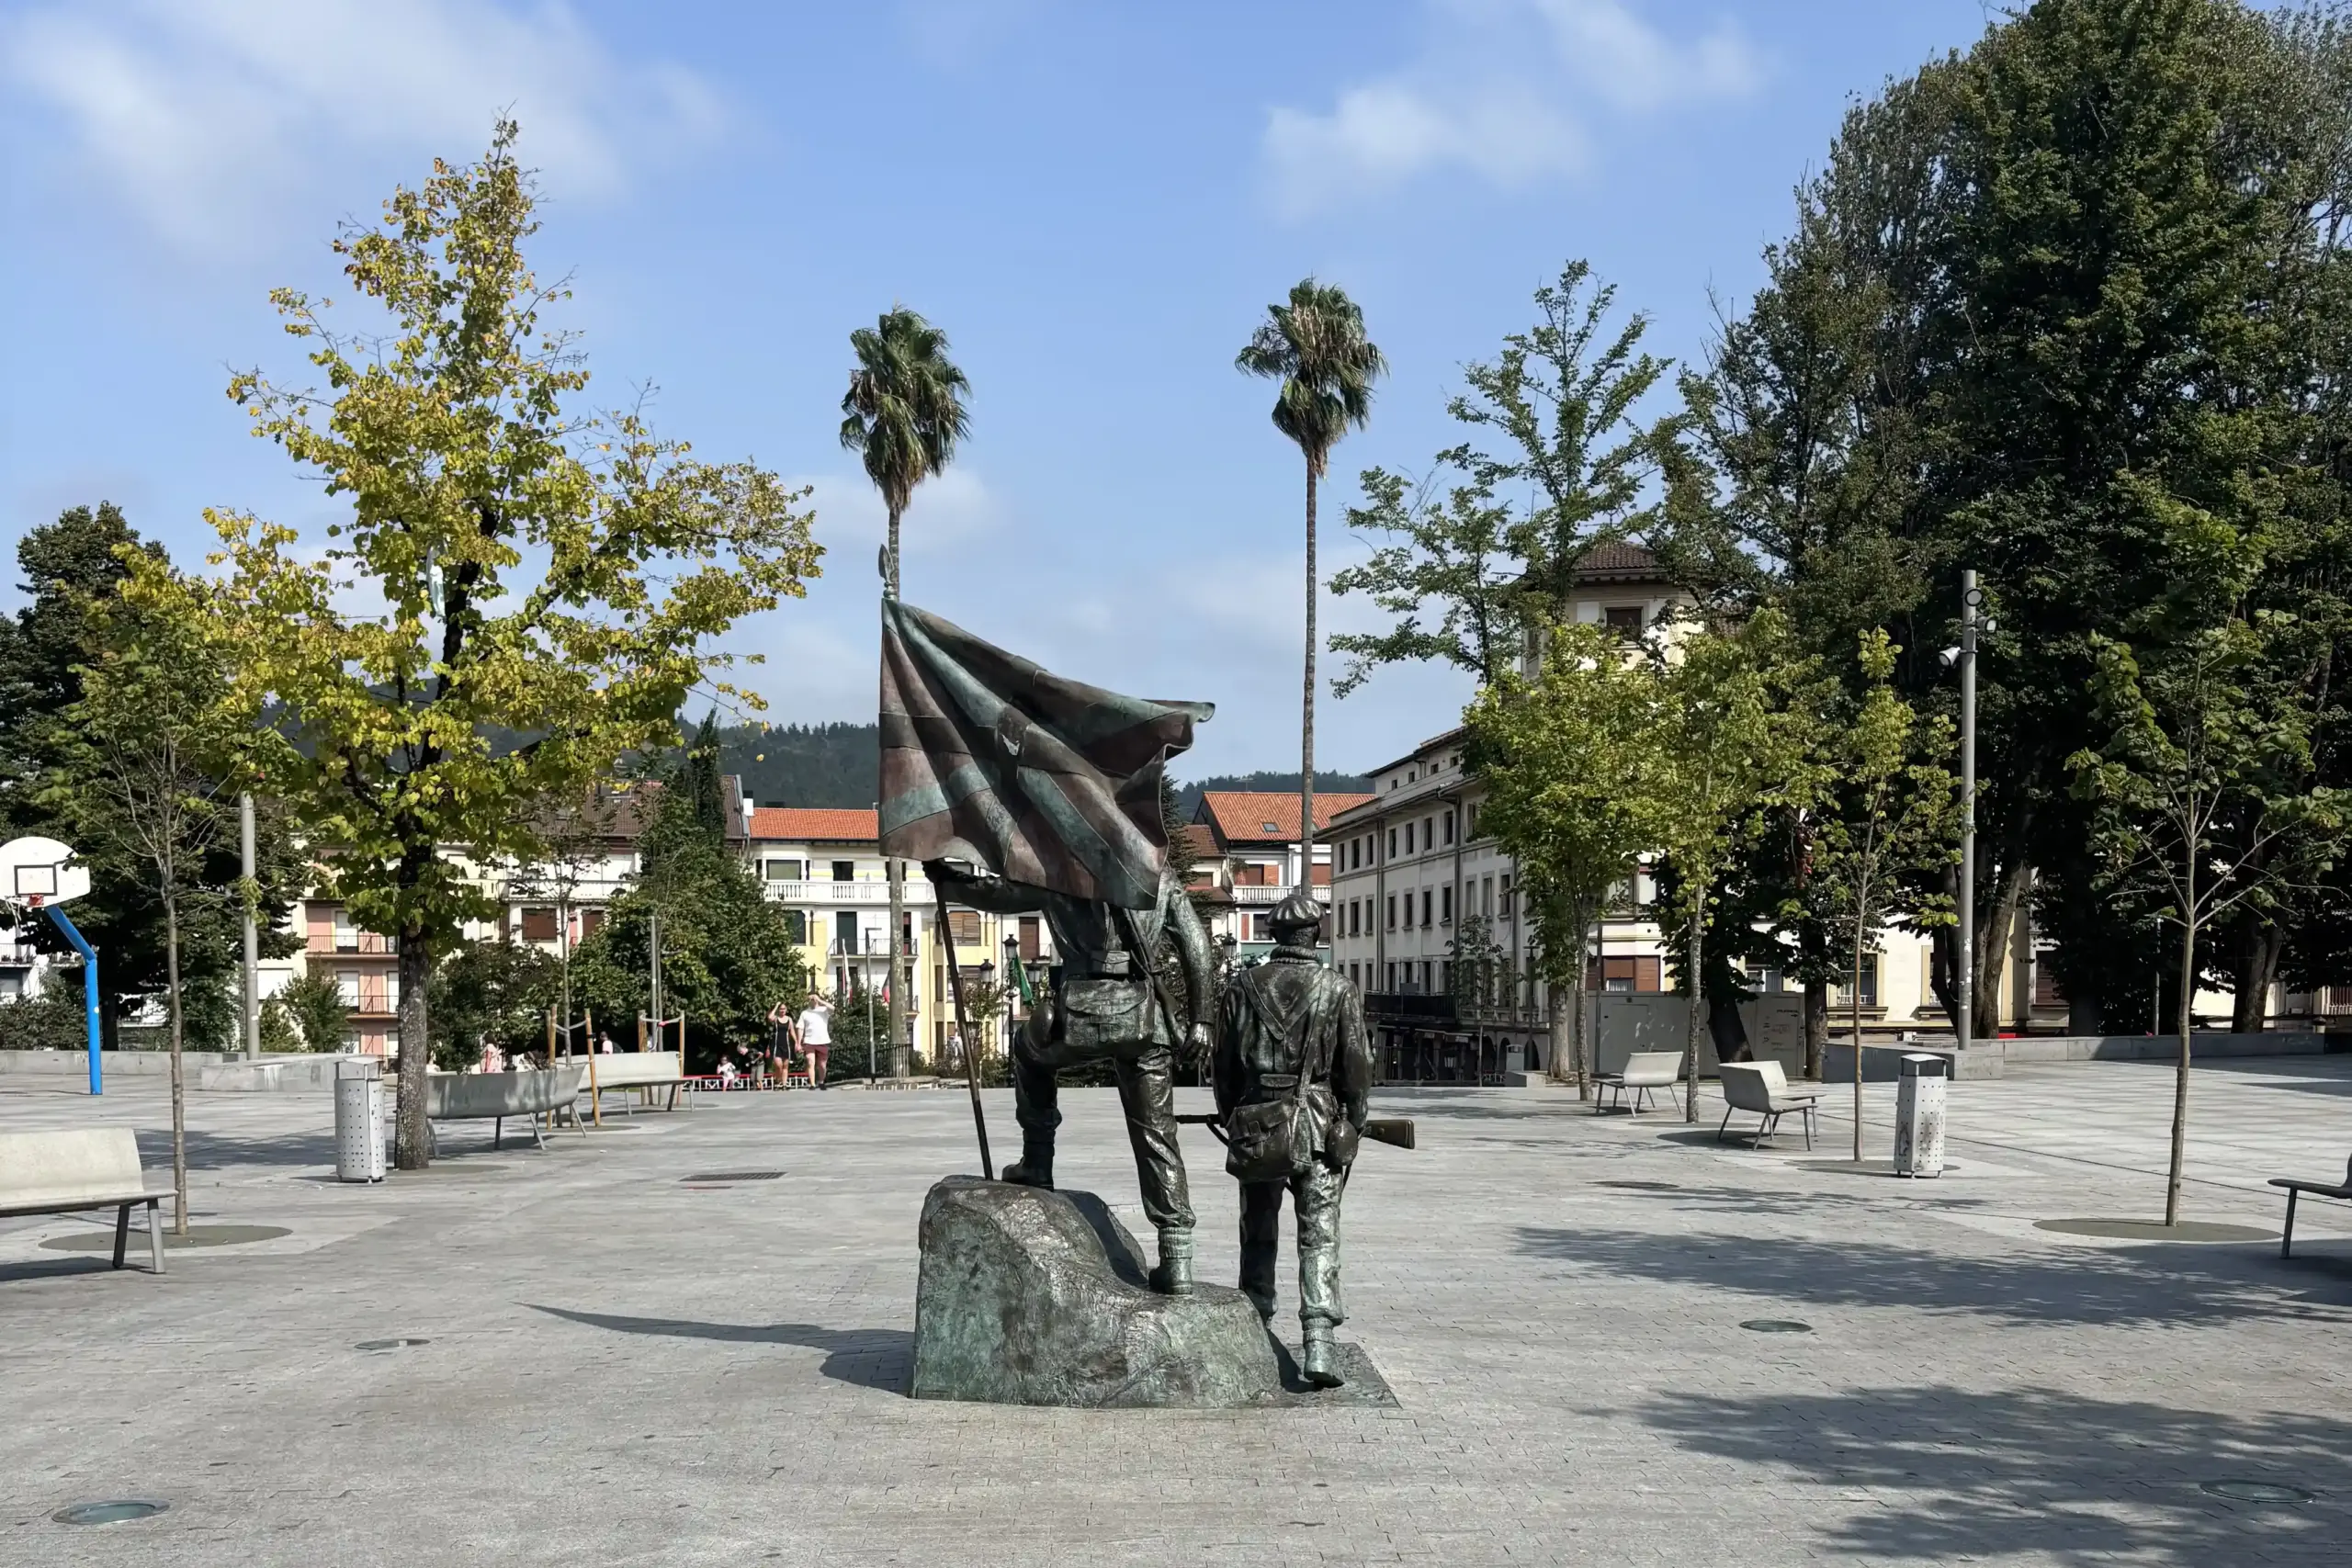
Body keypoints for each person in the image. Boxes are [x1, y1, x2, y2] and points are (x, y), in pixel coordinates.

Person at [928, 858, 1215, 1294]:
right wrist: (1202, 1020)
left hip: (1081, 1013)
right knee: (1157, 1134)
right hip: (1143, 1019)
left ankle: (1038, 1163)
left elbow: (996, 894)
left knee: (1029, 1053)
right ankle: (1176, 1255)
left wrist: (948, 879)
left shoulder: (1059, 871)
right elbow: (1197, 945)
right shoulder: (1158, 874)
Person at [1214, 892, 1372, 1388]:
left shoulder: (1243, 986)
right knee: (1319, 1232)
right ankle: (1319, 1343)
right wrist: (1356, 1122)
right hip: (1321, 1126)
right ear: (1316, 936)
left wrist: (1235, 1117)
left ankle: (1254, 1320)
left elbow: (1221, 1067)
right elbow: (1357, 1067)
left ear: (1273, 936)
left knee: (1256, 1225)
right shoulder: (1338, 989)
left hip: (1259, 1123)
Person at [795, 995, 833, 1090]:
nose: (813, 1001)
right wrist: (799, 1043)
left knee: (822, 1065)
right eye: (811, 999)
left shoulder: (824, 1010)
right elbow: (800, 1028)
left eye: (814, 999)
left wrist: (820, 1000)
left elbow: (833, 1008)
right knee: (810, 1061)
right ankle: (812, 1084)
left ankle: (821, 1081)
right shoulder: (805, 1013)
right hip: (809, 1041)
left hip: (822, 1040)